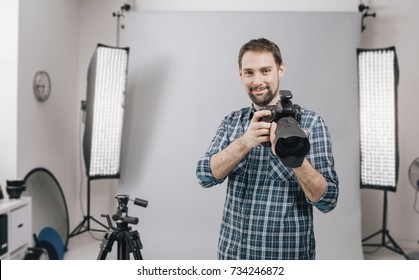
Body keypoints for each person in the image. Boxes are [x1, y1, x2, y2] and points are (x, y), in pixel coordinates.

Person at [196, 38, 339, 260]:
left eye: (265, 71)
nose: (258, 80)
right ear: (240, 75)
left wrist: (294, 156)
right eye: (249, 72)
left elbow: (327, 200)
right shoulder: (232, 122)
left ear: (280, 69)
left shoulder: (310, 123)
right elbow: (205, 176)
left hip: (285, 256)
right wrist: (244, 142)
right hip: (233, 255)